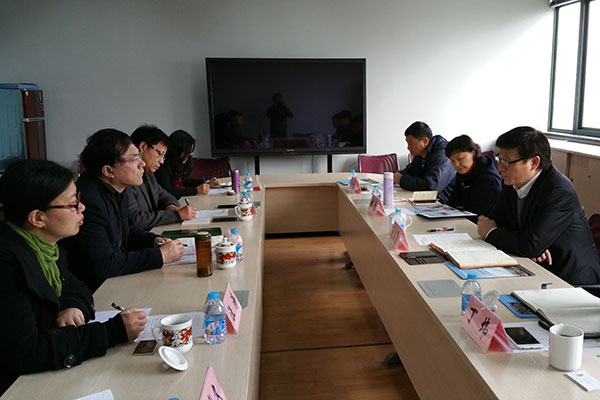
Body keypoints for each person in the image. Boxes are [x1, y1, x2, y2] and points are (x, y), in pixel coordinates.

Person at [0, 160, 147, 394]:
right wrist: (111, 332)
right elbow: (26, 352)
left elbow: (77, 286)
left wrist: (71, 306)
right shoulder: (7, 263)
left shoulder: (47, 247)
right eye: (73, 204)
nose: (82, 207)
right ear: (37, 218)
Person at [60, 129, 184, 292]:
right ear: (108, 171)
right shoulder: (88, 201)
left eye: (139, 156)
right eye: (135, 159)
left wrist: (154, 240)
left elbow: (129, 230)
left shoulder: (117, 189)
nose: (142, 163)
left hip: (117, 279)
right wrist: (160, 256)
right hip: (99, 291)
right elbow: (103, 264)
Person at [477, 126, 600, 285]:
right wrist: (526, 245)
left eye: (507, 162)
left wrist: (492, 233)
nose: (501, 167)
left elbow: (528, 244)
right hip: (534, 266)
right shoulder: (512, 182)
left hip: (571, 279)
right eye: (500, 159)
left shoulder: (558, 191)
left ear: (534, 162)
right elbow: (494, 220)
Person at [127, 125, 197, 230]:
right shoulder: (126, 178)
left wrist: (171, 207)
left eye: (163, 156)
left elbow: (164, 195)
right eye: (160, 154)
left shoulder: (149, 174)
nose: (161, 161)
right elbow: (135, 220)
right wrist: (176, 215)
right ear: (143, 146)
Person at [394, 121, 456, 203]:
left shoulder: (443, 155)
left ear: (425, 141)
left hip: (444, 203)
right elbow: (410, 171)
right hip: (428, 201)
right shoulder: (420, 154)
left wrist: (401, 180)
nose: (408, 147)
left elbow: (431, 186)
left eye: (410, 143)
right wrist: (395, 175)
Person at [445, 135, 502, 219]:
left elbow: (475, 215)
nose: (456, 165)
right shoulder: (463, 172)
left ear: (473, 153)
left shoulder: (488, 180)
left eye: (460, 159)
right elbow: (451, 203)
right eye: (452, 161)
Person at [155, 129, 220, 199]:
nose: (187, 156)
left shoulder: (177, 162)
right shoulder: (162, 166)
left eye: (190, 153)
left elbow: (185, 180)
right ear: (176, 150)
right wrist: (195, 190)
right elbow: (167, 192)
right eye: (186, 152)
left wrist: (206, 183)